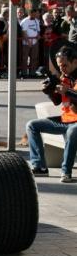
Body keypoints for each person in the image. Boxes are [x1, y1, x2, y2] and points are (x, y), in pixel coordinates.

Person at [26, 45, 77, 183]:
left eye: (65, 65)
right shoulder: (64, 76)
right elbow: (57, 101)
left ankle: (66, 172)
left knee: (73, 131)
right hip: (65, 120)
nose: (62, 69)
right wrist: (49, 91)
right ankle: (39, 167)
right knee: (32, 125)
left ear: (75, 62)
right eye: (60, 66)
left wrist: (68, 91)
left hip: (75, 123)